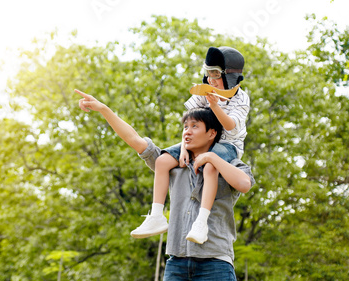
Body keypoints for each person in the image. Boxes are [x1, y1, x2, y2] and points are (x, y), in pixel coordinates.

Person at [75, 89, 254, 280]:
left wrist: (211, 157)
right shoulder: (172, 164)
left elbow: (244, 184)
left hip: (216, 263)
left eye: (195, 126)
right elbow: (133, 139)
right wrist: (104, 109)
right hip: (176, 263)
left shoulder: (227, 163)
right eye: (185, 127)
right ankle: (155, 217)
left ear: (211, 133)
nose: (187, 132)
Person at [130, 46, 250, 244]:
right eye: (207, 73)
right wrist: (185, 147)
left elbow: (230, 126)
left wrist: (214, 106)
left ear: (230, 76)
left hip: (227, 144)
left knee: (210, 166)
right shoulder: (204, 91)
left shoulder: (241, 97)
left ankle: (201, 222)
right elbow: (188, 120)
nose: (210, 79)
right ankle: (157, 216)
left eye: (215, 74)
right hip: (199, 140)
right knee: (162, 161)